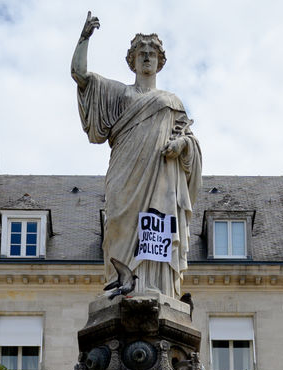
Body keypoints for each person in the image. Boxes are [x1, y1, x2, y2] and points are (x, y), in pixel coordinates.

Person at [72, 11, 201, 301]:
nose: (146, 57)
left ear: (160, 61)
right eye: (141, 53)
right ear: (132, 60)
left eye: (152, 53)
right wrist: (84, 39)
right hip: (124, 177)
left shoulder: (171, 102)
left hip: (159, 182)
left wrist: (181, 145)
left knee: (157, 225)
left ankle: (155, 288)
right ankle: (120, 284)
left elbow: (189, 139)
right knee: (117, 226)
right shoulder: (119, 94)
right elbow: (80, 76)